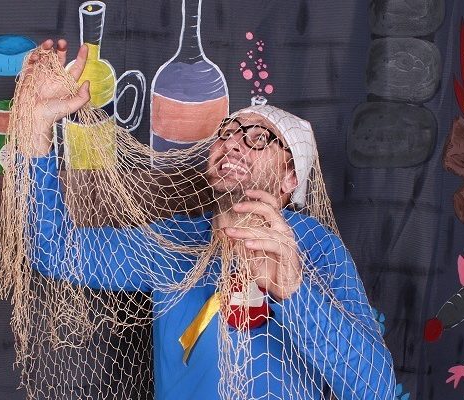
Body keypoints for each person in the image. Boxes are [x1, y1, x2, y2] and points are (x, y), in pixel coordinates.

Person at [23, 39, 396, 400]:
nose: (232, 143)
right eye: (227, 133)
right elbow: (55, 250)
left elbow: (375, 390)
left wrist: (294, 290)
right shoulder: (173, 242)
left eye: (258, 138)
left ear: (290, 178)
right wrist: (37, 128)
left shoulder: (317, 247)